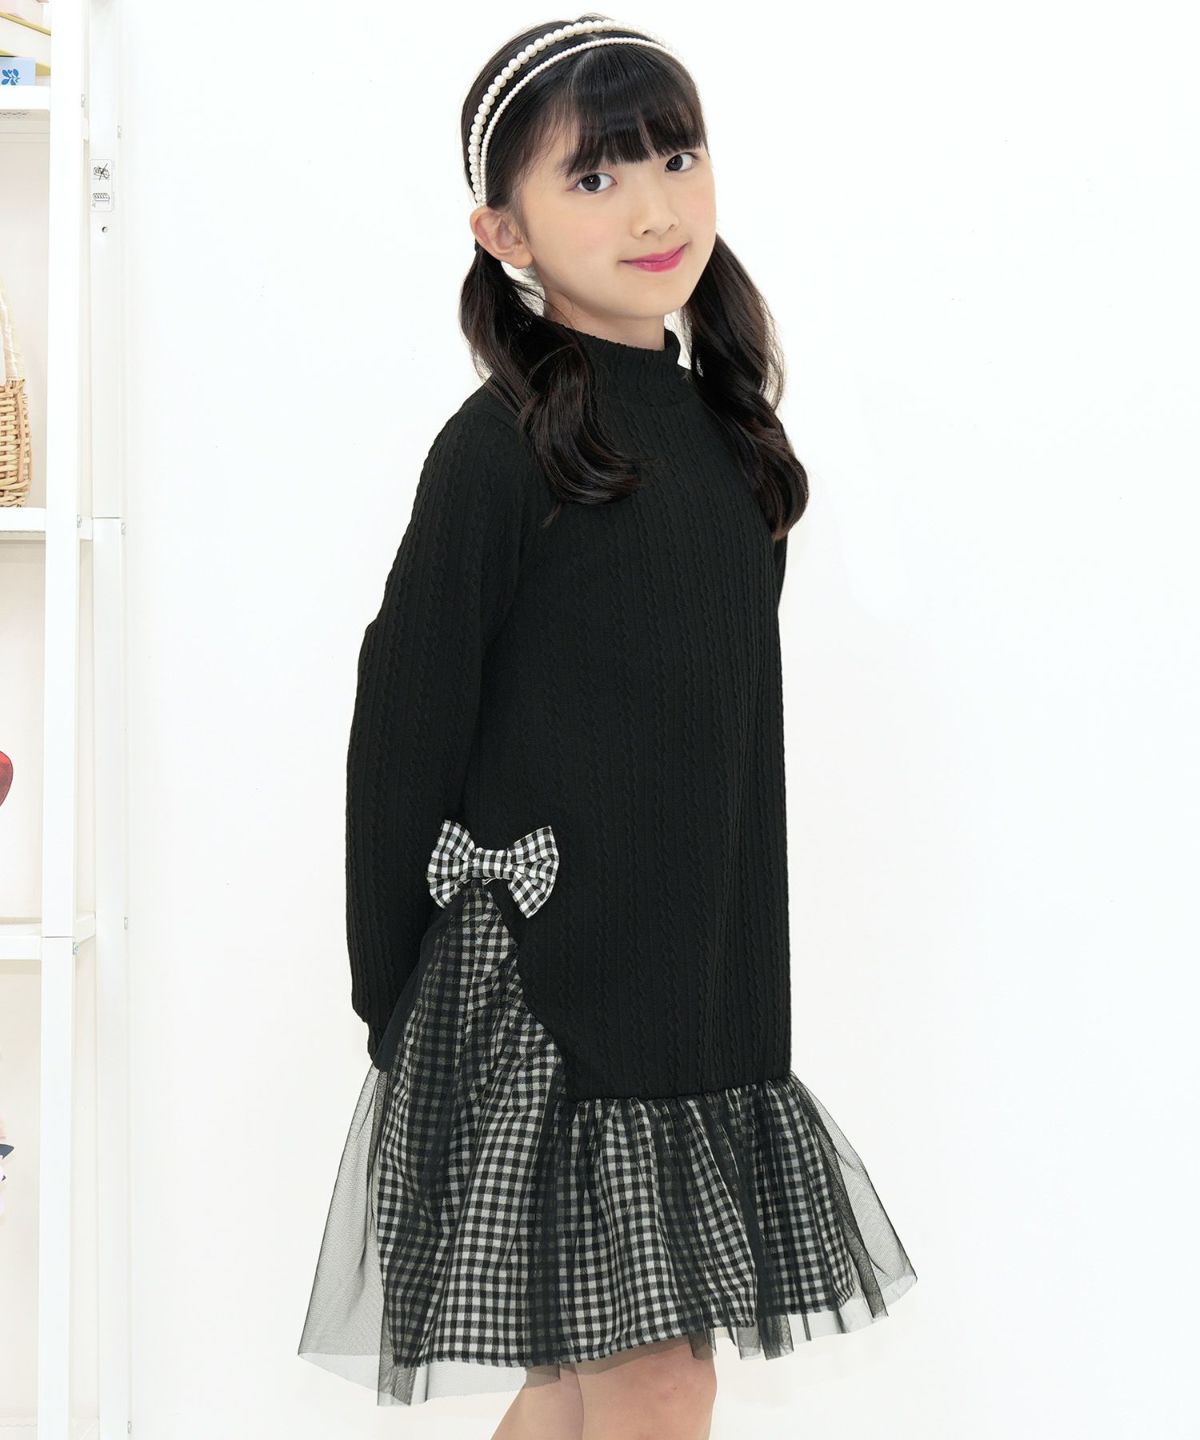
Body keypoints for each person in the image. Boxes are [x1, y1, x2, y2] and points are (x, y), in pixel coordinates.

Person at [298, 13, 917, 1433]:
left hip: (699, 987)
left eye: (676, 159)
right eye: (594, 177)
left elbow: (718, 742)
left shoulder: (729, 434)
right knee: (654, 1371)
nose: (653, 210)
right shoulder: (502, 450)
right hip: (549, 987)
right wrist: (393, 995)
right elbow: (401, 726)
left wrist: (736, 990)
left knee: (584, 1377)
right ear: (502, 232)